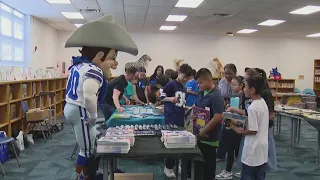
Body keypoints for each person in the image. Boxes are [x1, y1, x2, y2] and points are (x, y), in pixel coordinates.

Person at [63, 15, 138, 180]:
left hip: (71, 107)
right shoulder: (94, 70)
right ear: (99, 56)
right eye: (113, 58)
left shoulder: (79, 65)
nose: (116, 64)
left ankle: (91, 173)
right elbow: (89, 95)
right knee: (86, 150)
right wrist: (93, 115)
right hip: (80, 109)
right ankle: (83, 177)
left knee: (91, 141)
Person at [232, 74, 269, 180]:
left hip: (252, 147)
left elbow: (253, 130)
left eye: (245, 87)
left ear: (252, 90)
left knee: (247, 175)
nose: (244, 90)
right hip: (262, 146)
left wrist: (235, 129)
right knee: (259, 175)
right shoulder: (262, 102)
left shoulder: (253, 107)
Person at [161, 64, 193, 179]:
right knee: (171, 142)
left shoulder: (183, 87)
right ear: (179, 72)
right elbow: (161, 98)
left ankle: (175, 164)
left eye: (187, 78)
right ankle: (168, 167)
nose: (185, 80)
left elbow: (181, 102)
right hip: (171, 117)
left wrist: (186, 108)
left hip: (180, 117)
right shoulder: (171, 84)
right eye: (184, 77)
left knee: (179, 142)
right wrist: (171, 99)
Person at [192, 68, 225, 180]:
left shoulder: (216, 96)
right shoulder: (201, 93)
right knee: (198, 166)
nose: (198, 85)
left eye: (200, 83)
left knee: (208, 169)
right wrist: (194, 115)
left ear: (209, 79)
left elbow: (218, 117)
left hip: (210, 138)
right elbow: (196, 108)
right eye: (197, 83)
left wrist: (204, 130)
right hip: (199, 135)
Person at [245, 68, 277, 176]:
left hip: (257, 141)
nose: (243, 88)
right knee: (258, 172)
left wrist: (238, 129)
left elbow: (253, 130)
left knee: (251, 172)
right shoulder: (260, 101)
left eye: (245, 85)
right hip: (260, 142)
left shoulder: (257, 103)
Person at [216, 76, 244, 179]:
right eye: (230, 85)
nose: (231, 87)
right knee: (230, 148)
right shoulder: (232, 95)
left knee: (237, 149)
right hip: (229, 123)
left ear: (241, 85)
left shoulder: (243, 96)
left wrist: (233, 109)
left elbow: (243, 111)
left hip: (238, 125)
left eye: (234, 85)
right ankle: (228, 170)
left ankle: (240, 170)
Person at [217, 63, 237, 161]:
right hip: (225, 108)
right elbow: (220, 94)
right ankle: (221, 154)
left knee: (232, 132)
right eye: (226, 74)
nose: (228, 76)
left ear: (235, 73)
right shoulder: (222, 81)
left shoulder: (237, 82)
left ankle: (235, 155)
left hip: (234, 109)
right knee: (224, 131)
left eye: (230, 74)